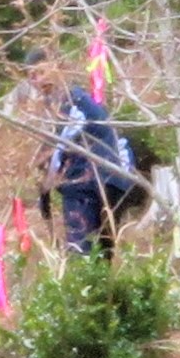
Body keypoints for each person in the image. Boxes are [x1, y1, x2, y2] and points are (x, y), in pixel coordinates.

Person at [36, 55, 140, 258]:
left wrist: (46, 186)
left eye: (41, 71)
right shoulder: (78, 100)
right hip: (112, 181)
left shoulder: (72, 102)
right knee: (104, 255)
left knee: (82, 254)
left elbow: (56, 149)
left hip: (88, 184)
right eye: (32, 75)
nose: (38, 80)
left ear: (58, 68)